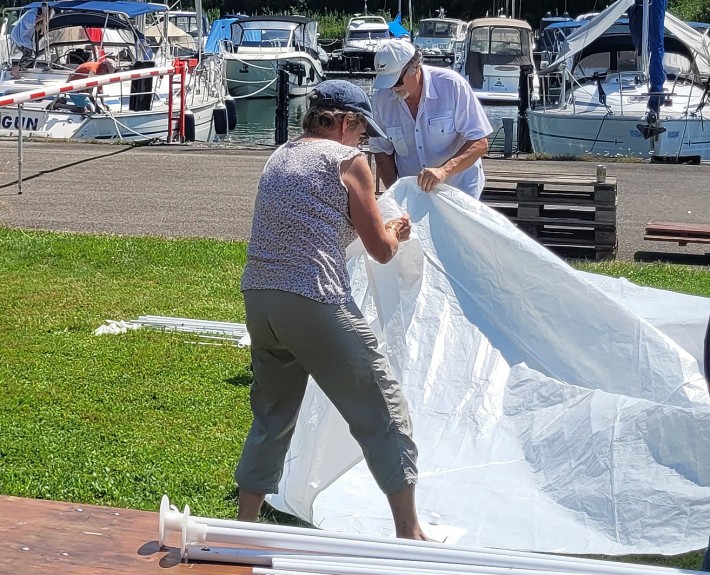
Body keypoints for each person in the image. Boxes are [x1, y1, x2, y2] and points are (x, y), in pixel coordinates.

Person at [236, 79, 427, 540]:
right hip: (314, 300)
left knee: (271, 416)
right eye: (360, 130)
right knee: (383, 409)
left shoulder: (280, 155)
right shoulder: (347, 161)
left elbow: (310, 222)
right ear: (344, 122)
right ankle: (410, 533)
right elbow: (380, 250)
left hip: (260, 297)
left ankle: (243, 528)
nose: (362, 142)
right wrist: (396, 231)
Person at [369, 39, 493, 199]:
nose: (393, 88)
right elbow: (381, 151)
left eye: (397, 81)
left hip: (460, 192)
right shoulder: (380, 99)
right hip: (413, 196)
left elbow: (480, 142)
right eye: (387, 83)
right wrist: (395, 194)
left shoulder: (452, 85)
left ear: (415, 66)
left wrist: (444, 171)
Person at [10, 5, 51, 78]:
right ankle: (15, 70)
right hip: (18, 36)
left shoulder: (35, 14)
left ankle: (20, 67)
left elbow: (37, 28)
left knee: (29, 53)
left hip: (22, 36)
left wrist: (44, 22)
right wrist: (42, 17)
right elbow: (29, 24)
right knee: (29, 54)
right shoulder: (31, 14)